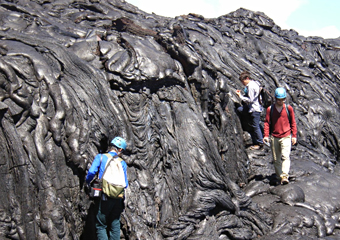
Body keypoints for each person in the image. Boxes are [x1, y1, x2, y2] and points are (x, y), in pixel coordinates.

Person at [86, 137, 128, 240]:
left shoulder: (101, 157)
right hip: (118, 197)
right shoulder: (122, 163)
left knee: (101, 225)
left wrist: (87, 182)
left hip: (104, 196)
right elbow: (125, 184)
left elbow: (91, 172)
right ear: (120, 150)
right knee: (115, 224)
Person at [263, 88, 297, 185]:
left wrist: (294, 135)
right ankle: (279, 177)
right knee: (276, 159)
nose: (280, 101)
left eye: (282, 99)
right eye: (278, 99)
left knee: (285, 156)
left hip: (286, 136)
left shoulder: (288, 108)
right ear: (275, 98)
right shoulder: (270, 109)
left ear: (285, 99)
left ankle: (285, 176)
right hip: (274, 136)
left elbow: (293, 122)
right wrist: (266, 135)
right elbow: (267, 123)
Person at [236, 71, 263, 150]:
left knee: (255, 126)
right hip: (257, 106)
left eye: (243, 81)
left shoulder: (251, 86)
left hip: (255, 108)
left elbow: (250, 100)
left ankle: (260, 143)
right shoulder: (255, 83)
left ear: (247, 78)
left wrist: (240, 96)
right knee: (240, 110)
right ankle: (262, 138)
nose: (242, 83)